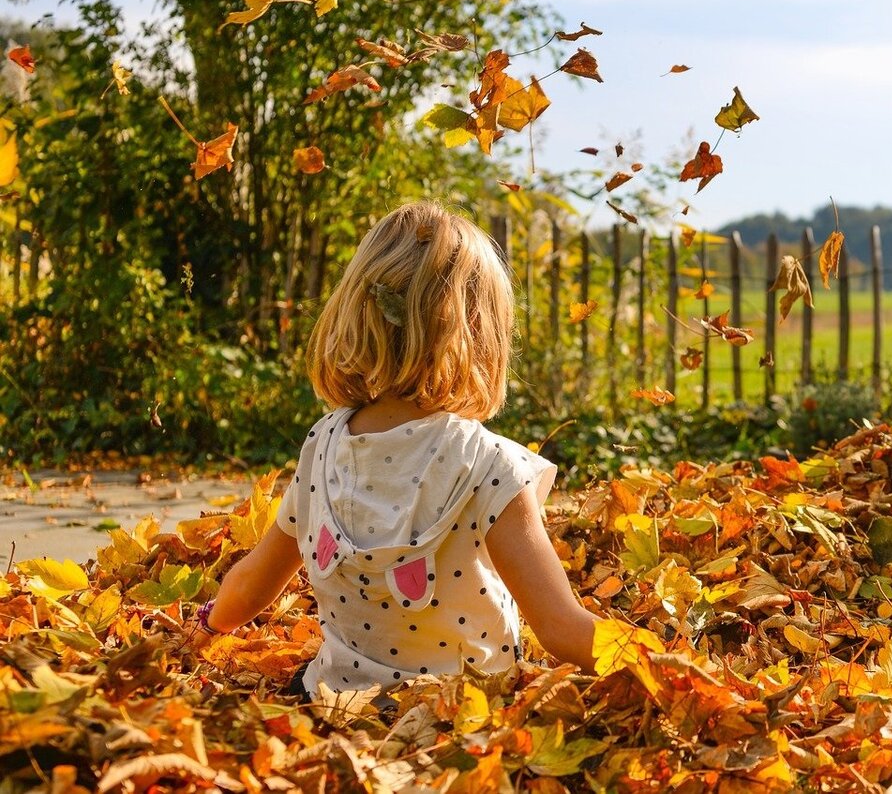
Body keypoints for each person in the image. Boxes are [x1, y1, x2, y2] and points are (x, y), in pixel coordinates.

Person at [191, 201, 601, 701]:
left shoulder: (323, 444)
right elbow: (561, 628)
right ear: (479, 333)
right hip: (462, 717)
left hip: (334, 700)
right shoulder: (490, 465)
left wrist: (207, 626)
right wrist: (667, 666)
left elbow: (253, 583)